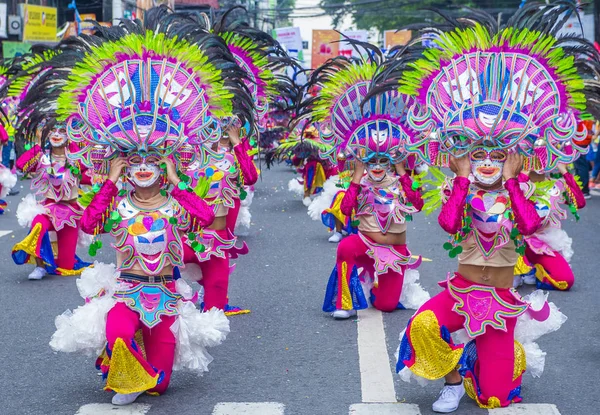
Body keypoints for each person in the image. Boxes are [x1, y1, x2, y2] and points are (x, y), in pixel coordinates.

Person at [12, 123, 90, 279]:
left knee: (65, 267)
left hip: (71, 213)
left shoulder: (76, 157)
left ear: (69, 135)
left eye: (62, 131)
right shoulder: (42, 156)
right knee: (38, 225)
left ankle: (54, 258)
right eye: (53, 130)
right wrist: (38, 143)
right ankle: (40, 266)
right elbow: (21, 165)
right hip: (48, 208)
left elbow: (92, 176)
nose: (57, 134)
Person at [513, 163, 586, 290]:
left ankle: (535, 270)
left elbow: (579, 203)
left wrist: (563, 170)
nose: (538, 161)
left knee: (565, 280)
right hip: (514, 244)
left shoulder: (556, 185)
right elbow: (512, 199)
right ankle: (520, 268)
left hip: (541, 244)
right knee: (508, 284)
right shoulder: (511, 182)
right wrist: (524, 174)